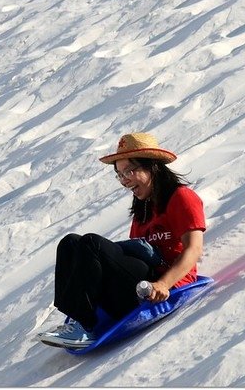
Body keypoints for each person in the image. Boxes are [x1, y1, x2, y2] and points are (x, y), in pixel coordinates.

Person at [39, 132, 206, 349]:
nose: (124, 179)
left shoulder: (181, 197)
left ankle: (85, 328)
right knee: (70, 242)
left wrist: (164, 284)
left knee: (91, 243)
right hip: (133, 290)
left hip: (161, 286)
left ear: (152, 166)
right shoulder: (143, 210)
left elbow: (194, 249)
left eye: (130, 171)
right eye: (119, 174)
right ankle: (78, 319)